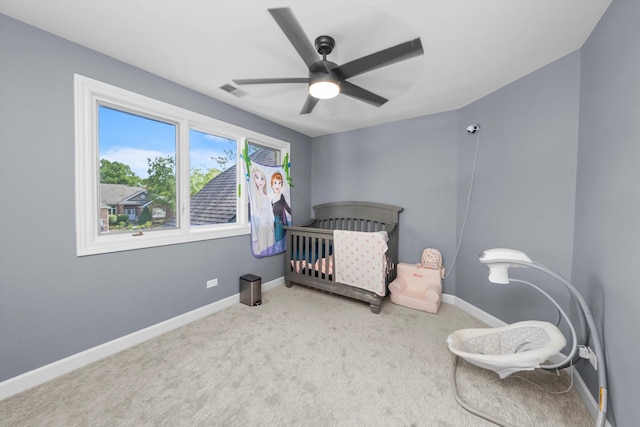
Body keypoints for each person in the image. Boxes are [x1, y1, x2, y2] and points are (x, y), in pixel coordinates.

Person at [250, 165, 274, 255]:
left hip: (269, 227)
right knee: (263, 248)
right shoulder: (255, 197)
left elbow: (270, 213)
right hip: (261, 227)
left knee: (270, 248)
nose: (260, 181)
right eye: (257, 178)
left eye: (262, 178)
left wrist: (272, 225)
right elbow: (254, 215)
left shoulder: (266, 196)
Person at [270, 172, 291, 247]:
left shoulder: (281, 196)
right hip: (276, 222)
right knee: (278, 241)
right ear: (272, 185)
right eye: (275, 183)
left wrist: (291, 214)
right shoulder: (272, 199)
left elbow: (287, 207)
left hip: (282, 222)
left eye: (279, 183)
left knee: (283, 241)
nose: (277, 185)